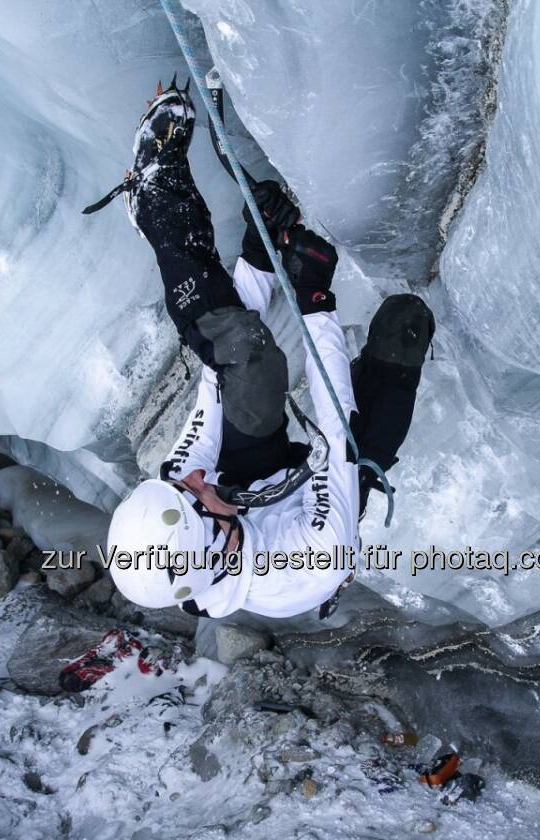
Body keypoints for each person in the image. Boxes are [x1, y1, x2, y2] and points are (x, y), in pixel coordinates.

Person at [103, 80, 434, 620]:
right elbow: (334, 432)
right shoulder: (313, 562)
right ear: (220, 543)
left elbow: (224, 370)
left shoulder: (186, 493)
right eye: (191, 492)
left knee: (250, 368)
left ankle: (157, 198)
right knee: (405, 325)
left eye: (177, 483)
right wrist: (315, 300)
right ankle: (384, 357)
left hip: (252, 479)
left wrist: (261, 253)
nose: (186, 476)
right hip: (315, 496)